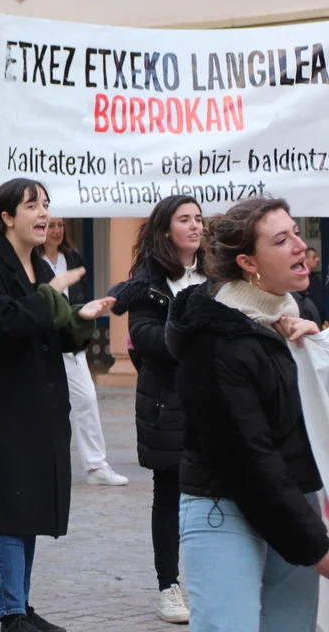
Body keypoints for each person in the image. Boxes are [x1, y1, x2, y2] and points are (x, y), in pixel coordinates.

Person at [167, 197, 329, 631]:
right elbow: (246, 457)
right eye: (281, 240)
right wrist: (316, 548)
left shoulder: (299, 313)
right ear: (248, 263)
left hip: (295, 500)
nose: (300, 245)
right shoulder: (213, 340)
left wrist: (318, 348)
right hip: (224, 505)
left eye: (296, 233)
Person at [0, 178, 114, 632]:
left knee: (26, 509)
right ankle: (10, 614)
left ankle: (21, 606)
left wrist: (81, 318)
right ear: (7, 217)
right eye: (33, 205)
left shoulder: (40, 268)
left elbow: (54, 330)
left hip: (38, 410)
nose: (44, 213)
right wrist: (52, 296)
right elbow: (0, 323)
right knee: (6, 512)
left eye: (46, 204)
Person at [108, 195, 206, 624]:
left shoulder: (217, 273)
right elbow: (145, 337)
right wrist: (193, 335)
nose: (195, 225)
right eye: (185, 219)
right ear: (166, 230)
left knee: (218, 493)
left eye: (198, 218)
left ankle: (210, 580)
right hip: (167, 402)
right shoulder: (148, 281)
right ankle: (169, 586)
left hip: (217, 400)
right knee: (169, 494)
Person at [39, 218, 128, 487]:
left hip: (71, 341)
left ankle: (96, 465)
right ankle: (41, 467)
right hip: (43, 341)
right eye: (51, 225)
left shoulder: (73, 258)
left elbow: (82, 296)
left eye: (59, 225)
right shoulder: (32, 260)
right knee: (44, 406)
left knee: (87, 399)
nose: (56, 230)